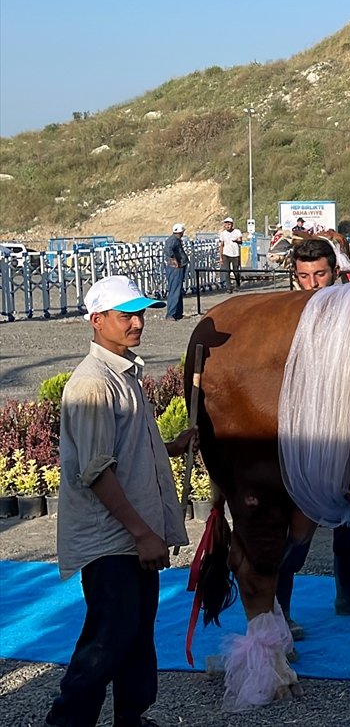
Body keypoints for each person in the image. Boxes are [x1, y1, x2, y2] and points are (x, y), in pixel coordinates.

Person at [46, 275, 194, 727]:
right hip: (112, 540)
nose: (136, 322)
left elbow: (122, 450)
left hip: (133, 536)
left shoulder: (125, 373)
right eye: (124, 315)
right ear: (96, 320)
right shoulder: (93, 384)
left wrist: (170, 446)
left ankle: (132, 717)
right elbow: (95, 471)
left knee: (135, 635)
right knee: (108, 639)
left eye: (139, 313)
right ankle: (67, 722)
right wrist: (143, 533)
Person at [277, 238, 350, 640]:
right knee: (300, 524)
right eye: (304, 276)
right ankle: (280, 611)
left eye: (320, 274)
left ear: (336, 272)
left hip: (347, 423)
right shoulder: (285, 315)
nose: (312, 283)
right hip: (306, 429)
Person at [163, 223, 188, 321]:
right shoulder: (173, 240)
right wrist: (174, 260)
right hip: (175, 269)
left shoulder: (175, 239)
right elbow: (168, 250)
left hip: (179, 267)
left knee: (178, 290)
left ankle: (178, 313)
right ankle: (171, 314)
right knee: (175, 290)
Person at [217, 217, 243, 291]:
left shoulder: (237, 232)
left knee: (236, 271)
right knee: (227, 271)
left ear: (232, 225)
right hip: (226, 254)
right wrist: (220, 257)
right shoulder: (223, 234)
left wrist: (237, 241)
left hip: (235, 254)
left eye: (229, 224)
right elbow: (221, 245)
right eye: (226, 224)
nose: (228, 226)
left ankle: (237, 284)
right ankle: (228, 287)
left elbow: (240, 241)